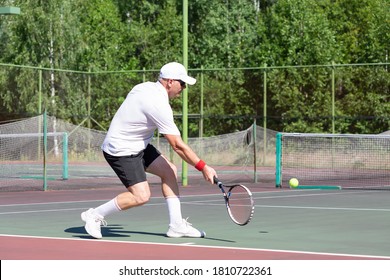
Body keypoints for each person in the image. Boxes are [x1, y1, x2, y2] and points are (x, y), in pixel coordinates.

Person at [81, 62, 218, 239]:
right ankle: (94, 215)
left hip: (138, 144)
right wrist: (203, 167)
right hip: (121, 149)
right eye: (182, 83)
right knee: (141, 196)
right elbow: (177, 145)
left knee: (170, 171)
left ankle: (176, 226)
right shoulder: (157, 103)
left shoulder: (144, 87)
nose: (183, 88)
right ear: (169, 82)